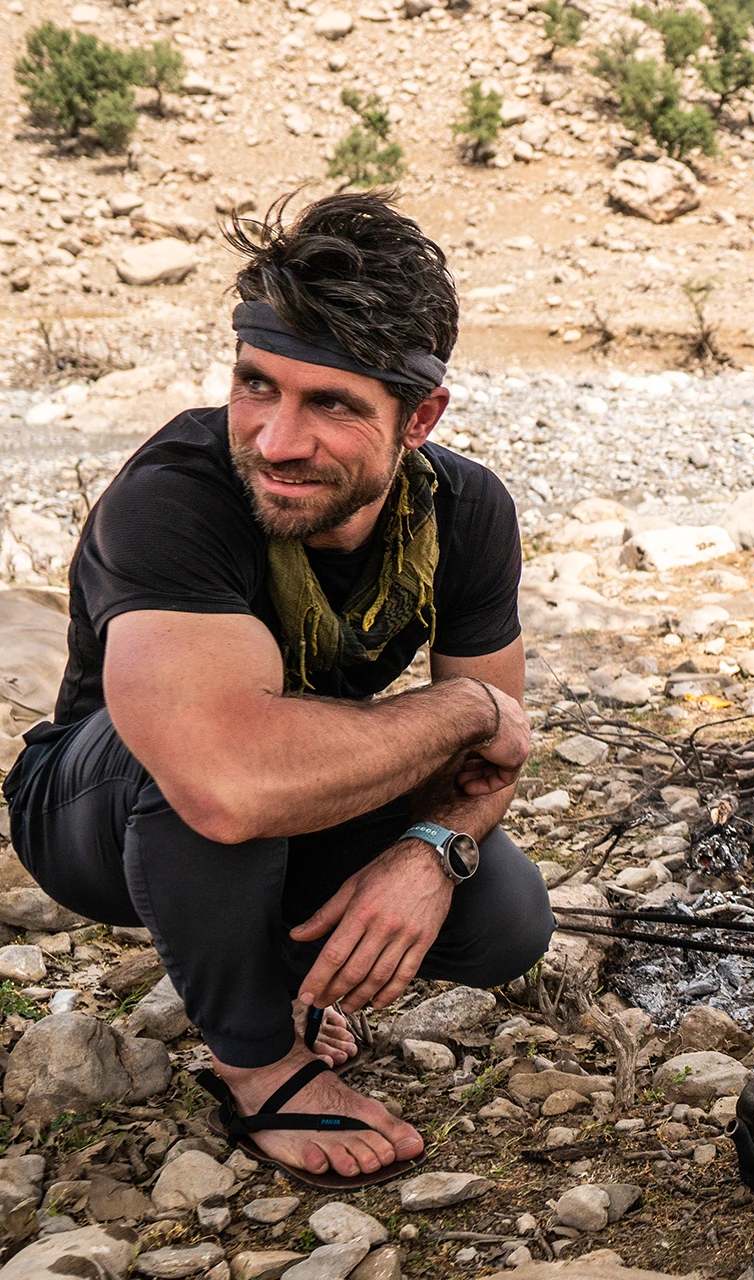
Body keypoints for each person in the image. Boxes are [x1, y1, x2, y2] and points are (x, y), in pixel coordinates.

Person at [3, 192, 554, 1188]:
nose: (276, 439)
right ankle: (257, 1061)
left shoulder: (465, 513)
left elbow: (489, 768)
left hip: (282, 789)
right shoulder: (179, 491)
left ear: (419, 417)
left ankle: (273, 964)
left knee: (505, 912)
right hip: (98, 804)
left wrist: (430, 851)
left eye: (332, 404)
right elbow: (227, 779)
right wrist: (467, 710)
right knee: (217, 772)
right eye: (258, 386)